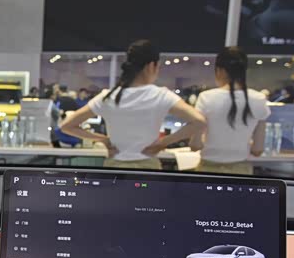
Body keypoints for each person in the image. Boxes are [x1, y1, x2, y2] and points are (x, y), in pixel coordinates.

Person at [60, 39, 206, 170]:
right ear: (151, 66)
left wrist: (103, 139)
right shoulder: (160, 95)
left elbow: (66, 126)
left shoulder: (109, 96)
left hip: (115, 167)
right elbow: (199, 121)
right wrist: (163, 143)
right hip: (148, 168)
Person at [189, 47, 271, 176]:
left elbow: (195, 145)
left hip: (208, 171)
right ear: (244, 71)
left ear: (219, 71)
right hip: (241, 173)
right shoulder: (259, 99)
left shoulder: (206, 97)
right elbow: (257, 150)